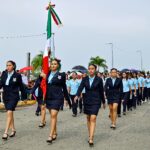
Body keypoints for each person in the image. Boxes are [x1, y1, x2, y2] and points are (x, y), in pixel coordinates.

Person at [40, 58, 71, 144]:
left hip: (57, 97)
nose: (53, 65)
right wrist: (41, 76)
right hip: (48, 97)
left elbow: (64, 88)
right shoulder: (47, 73)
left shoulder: (61, 75)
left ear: (58, 66)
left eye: (55, 64)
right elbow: (42, 83)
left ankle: (50, 135)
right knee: (53, 116)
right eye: (52, 64)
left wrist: (67, 99)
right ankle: (55, 132)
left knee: (53, 115)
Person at [74, 64, 105, 147]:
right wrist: (77, 95)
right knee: (88, 118)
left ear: (95, 70)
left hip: (96, 101)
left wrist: (103, 101)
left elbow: (101, 91)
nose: (91, 70)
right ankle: (90, 133)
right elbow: (80, 88)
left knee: (93, 118)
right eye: (89, 69)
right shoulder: (85, 79)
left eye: (92, 69)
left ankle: (91, 138)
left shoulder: (99, 79)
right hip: (87, 100)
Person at [0, 60, 26, 140]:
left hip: (13, 96)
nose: (8, 67)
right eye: (7, 65)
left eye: (9, 65)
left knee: (9, 112)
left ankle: (5, 132)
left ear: (13, 66)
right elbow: (1, 84)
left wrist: (24, 98)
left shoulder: (17, 75)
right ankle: (13, 129)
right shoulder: (4, 74)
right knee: (9, 113)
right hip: (5, 96)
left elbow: (21, 87)